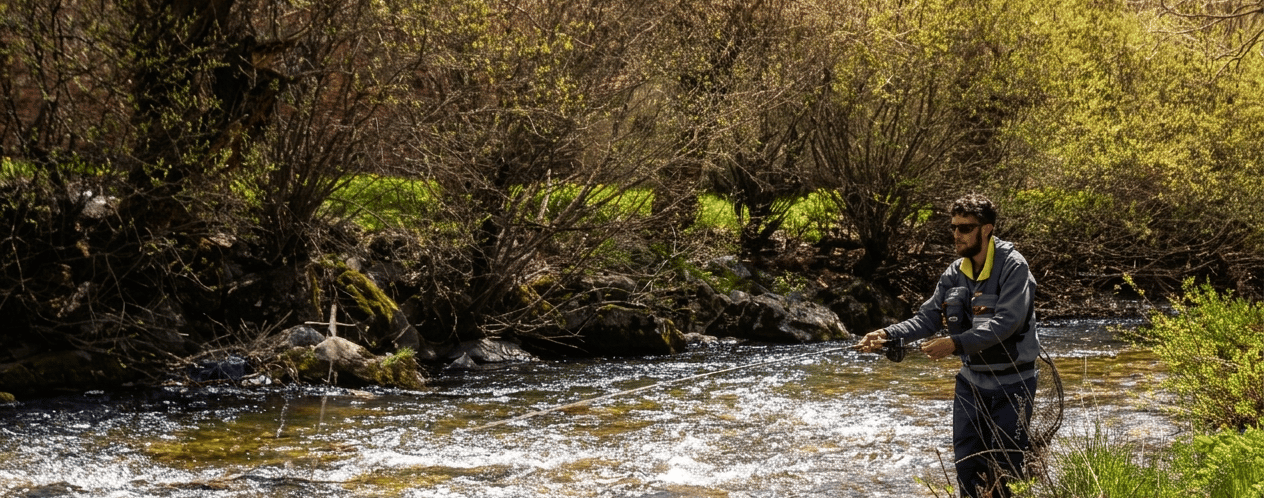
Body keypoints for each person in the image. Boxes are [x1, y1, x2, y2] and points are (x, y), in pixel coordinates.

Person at [857, 194, 1040, 498]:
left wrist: (954, 344)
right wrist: (888, 334)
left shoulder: (1013, 267)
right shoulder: (954, 273)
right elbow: (927, 319)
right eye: (954, 227)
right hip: (971, 385)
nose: (957, 234)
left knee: (1005, 472)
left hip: (1014, 384)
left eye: (966, 228)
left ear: (986, 229)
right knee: (967, 469)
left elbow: (1006, 323)